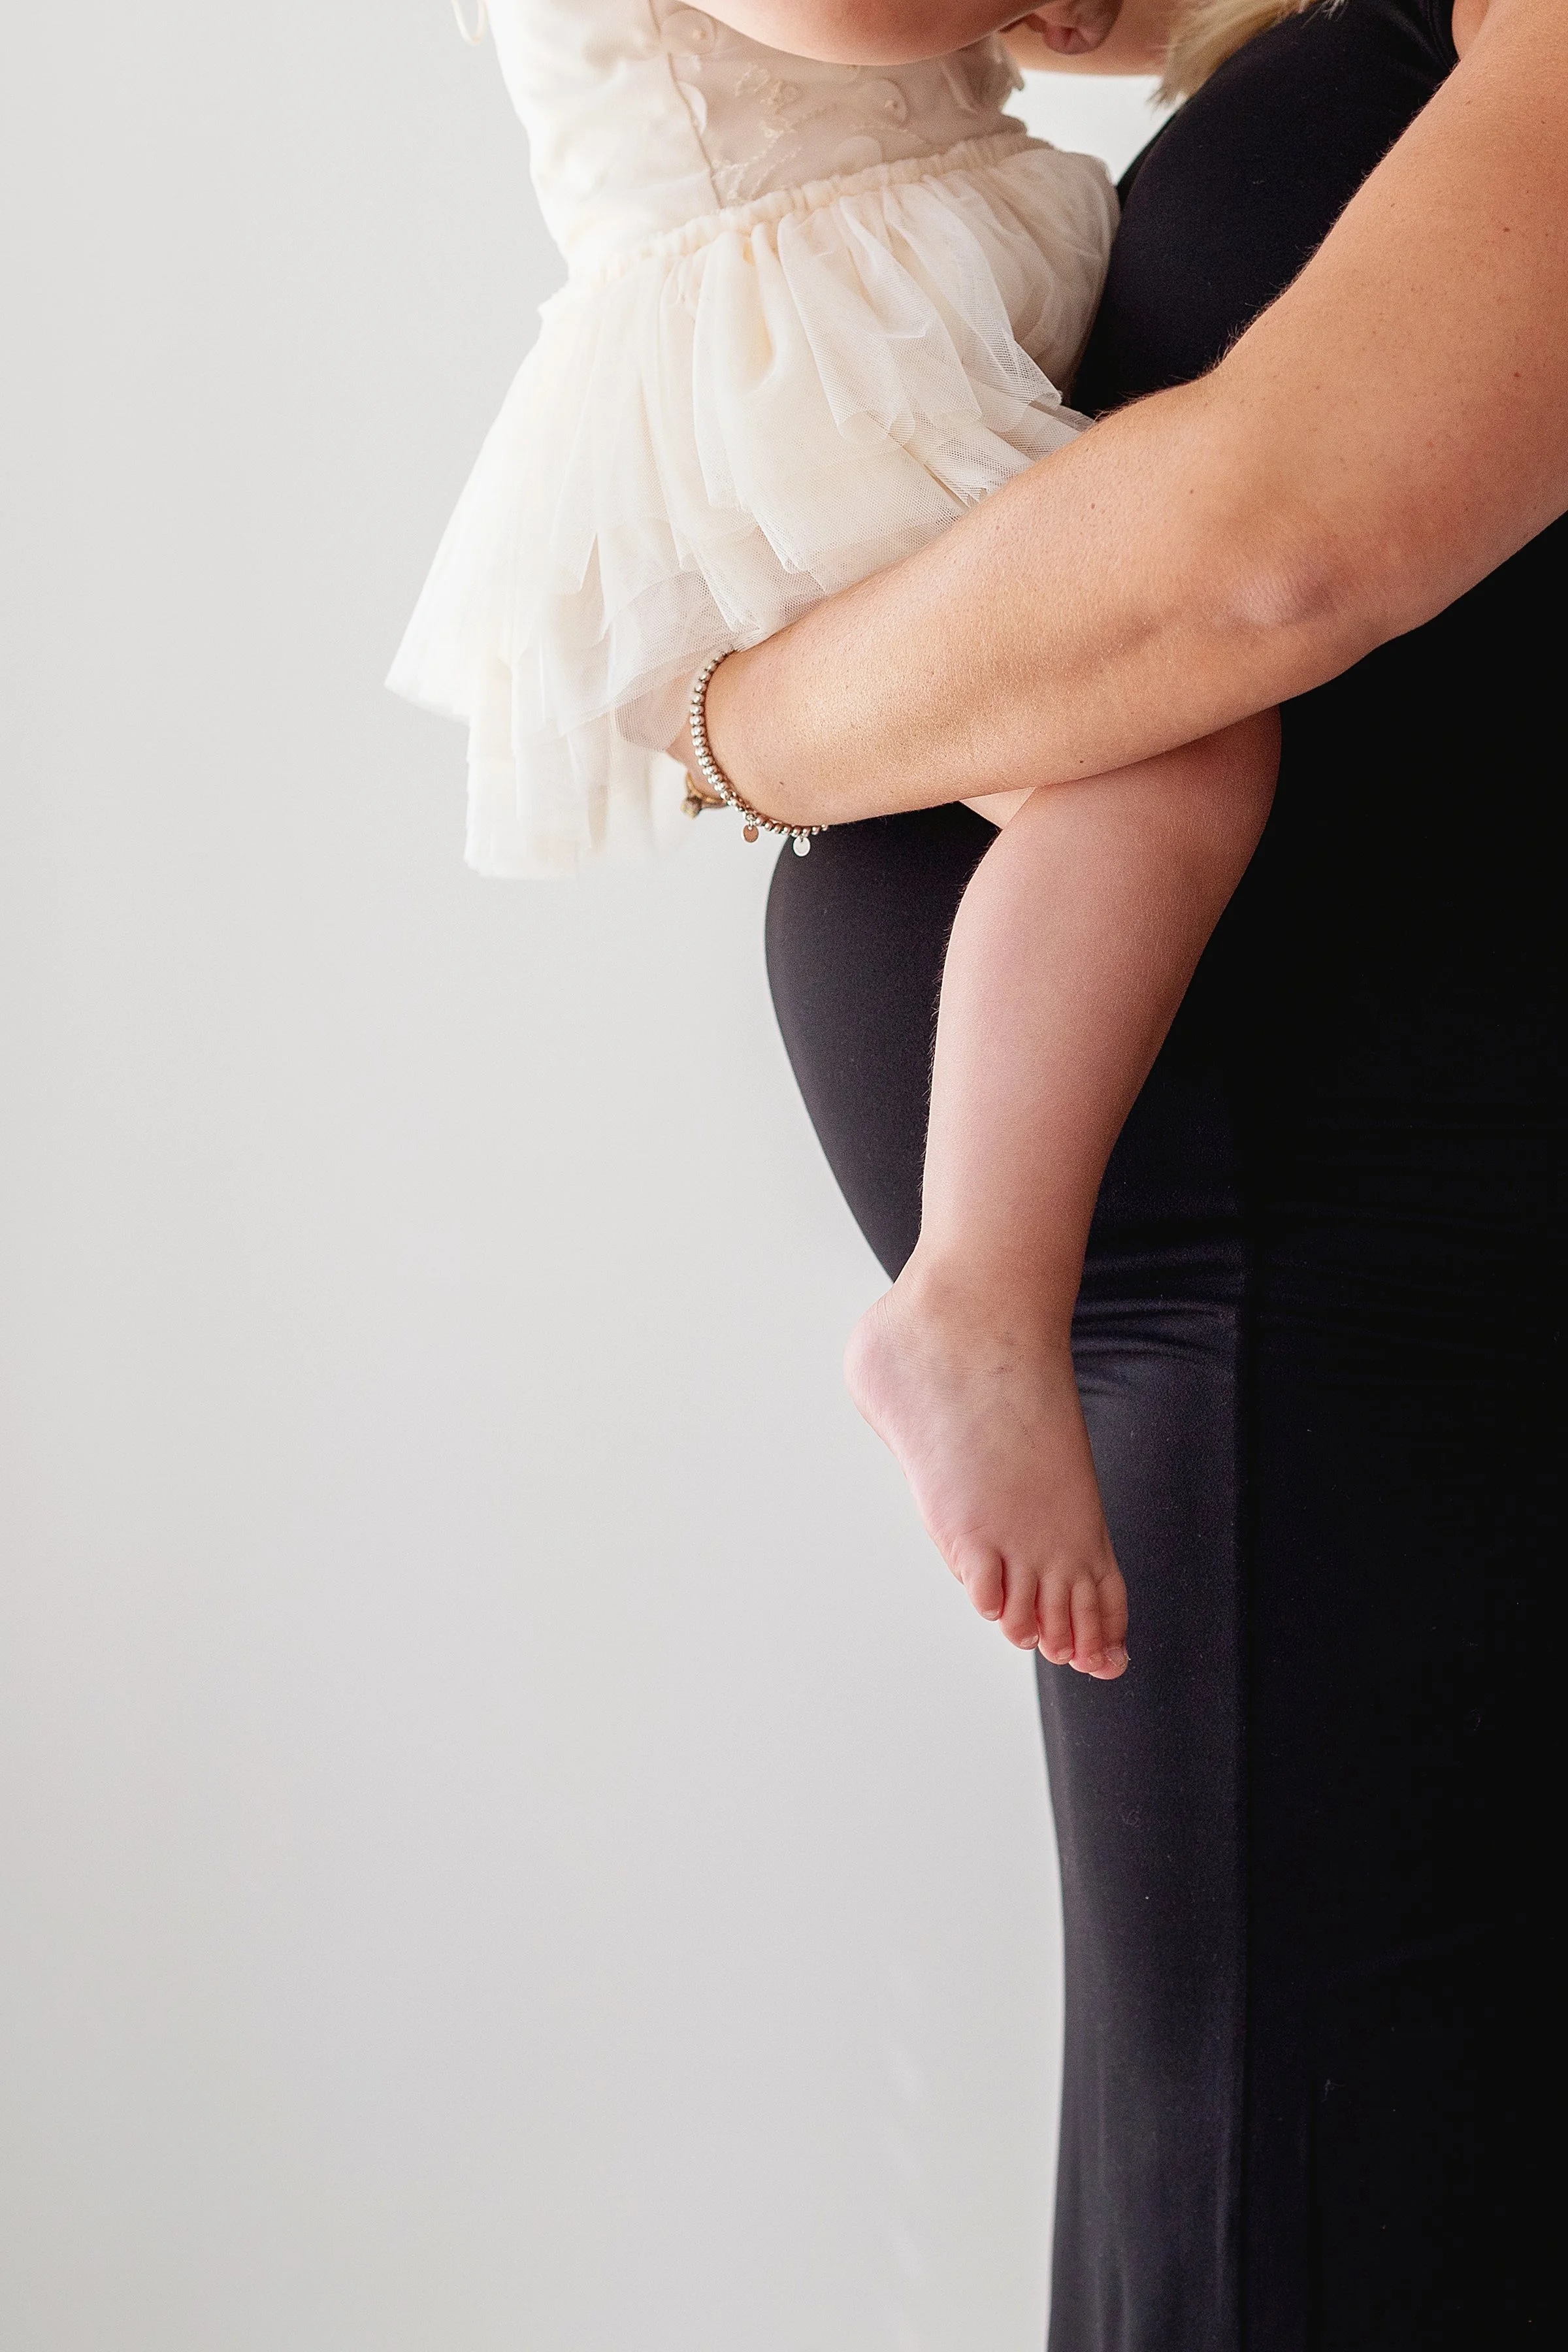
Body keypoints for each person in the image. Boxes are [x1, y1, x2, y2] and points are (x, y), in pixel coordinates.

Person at [728, 0, 1561, 2342]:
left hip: (1362, 1321)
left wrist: (729, 711)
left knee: (1282, 2216)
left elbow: (1262, 563)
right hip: (1285, 1333)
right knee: (1275, 2174)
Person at [390, 0, 1286, 1682]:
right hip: (801, 348)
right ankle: (974, 1300)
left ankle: (986, 1296)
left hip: (887, 285)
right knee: (1162, 753)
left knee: (1156, 719)